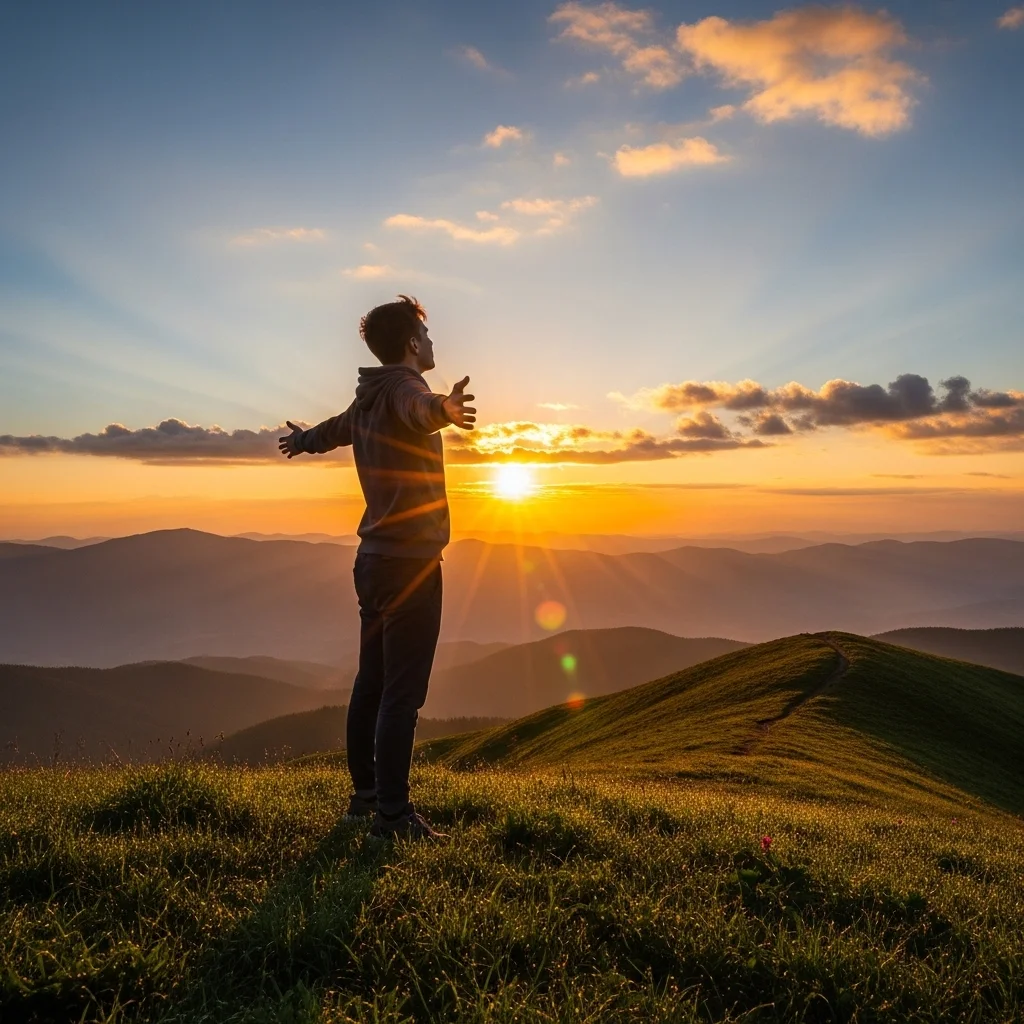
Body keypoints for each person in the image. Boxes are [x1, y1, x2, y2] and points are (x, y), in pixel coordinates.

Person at [278, 295, 475, 840]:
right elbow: (421, 408)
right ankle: (393, 817)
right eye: (428, 337)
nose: (433, 345)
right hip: (410, 564)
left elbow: (333, 429)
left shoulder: (367, 397)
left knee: (372, 682)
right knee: (402, 695)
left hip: (372, 561)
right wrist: (445, 411)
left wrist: (302, 441)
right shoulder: (406, 390)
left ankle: (365, 798)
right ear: (413, 344)